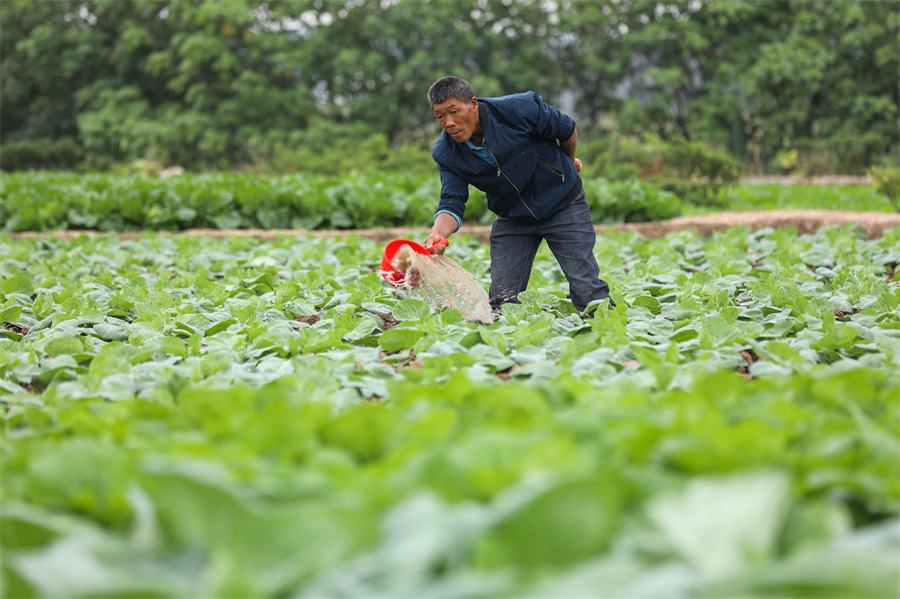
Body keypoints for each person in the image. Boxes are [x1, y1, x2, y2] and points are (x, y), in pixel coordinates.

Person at [423, 75, 615, 317]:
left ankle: (614, 342)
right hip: (513, 218)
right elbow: (452, 200)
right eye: (440, 116)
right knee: (502, 304)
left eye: (454, 112)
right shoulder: (446, 153)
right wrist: (438, 233)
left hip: (562, 202)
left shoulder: (517, 110)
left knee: (589, 294)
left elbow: (567, 129)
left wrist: (567, 161)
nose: (449, 123)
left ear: (473, 104)